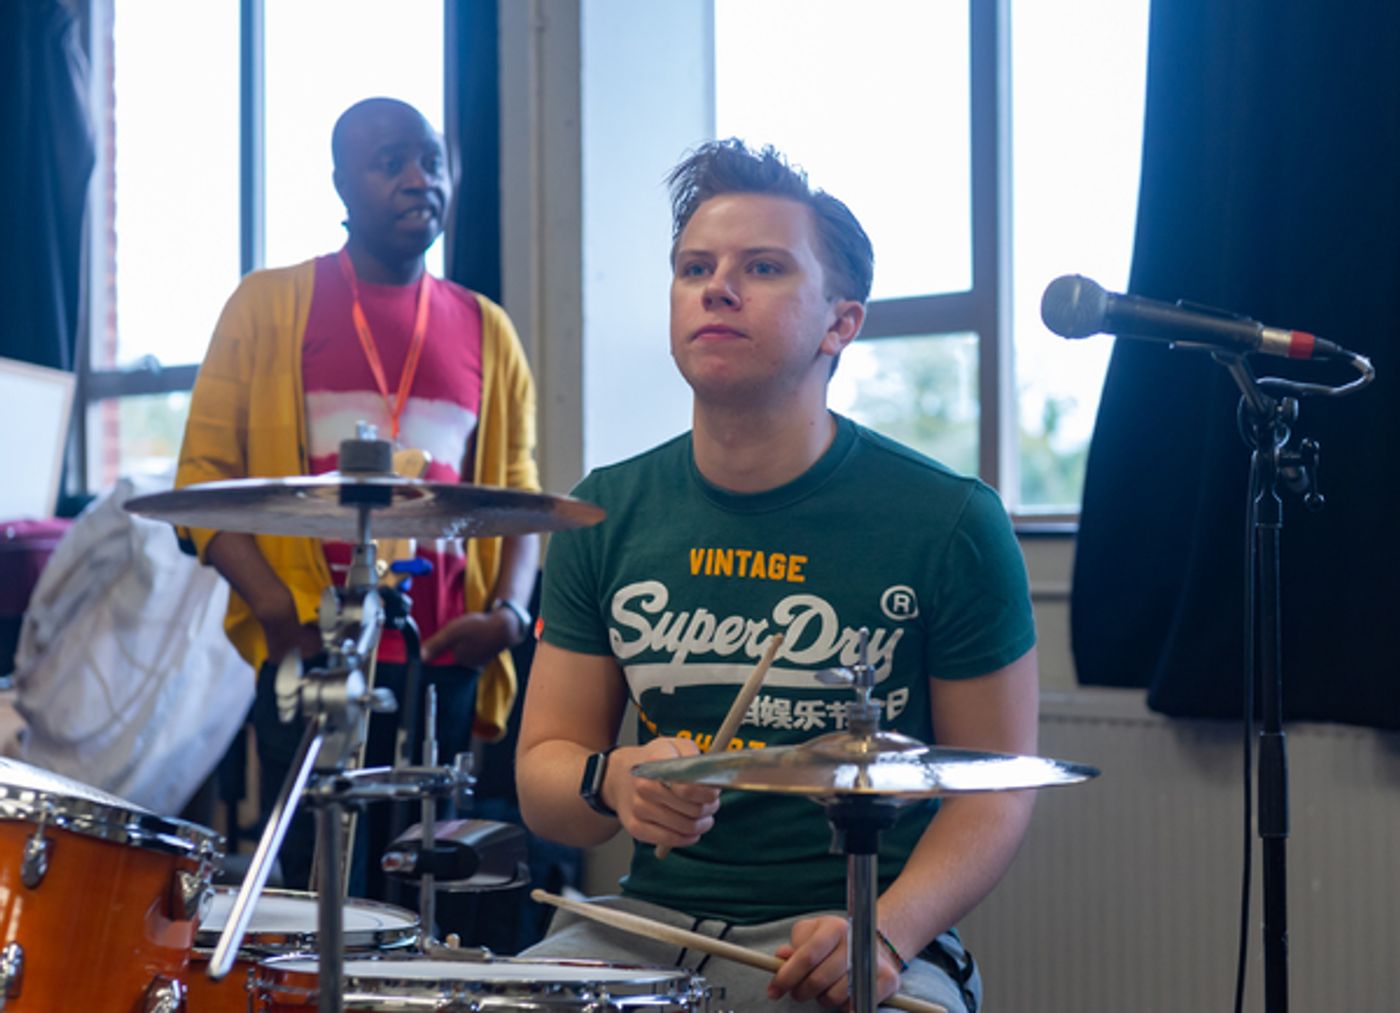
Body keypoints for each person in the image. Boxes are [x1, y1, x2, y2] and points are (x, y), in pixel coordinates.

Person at [515, 139, 1038, 1012]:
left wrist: (886, 929)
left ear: (842, 323)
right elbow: (544, 776)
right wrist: (613, 780)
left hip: (854, 927)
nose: (717, 286)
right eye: (694, 267)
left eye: (762, 267)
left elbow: (997, 793)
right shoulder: (604, 510)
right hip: (646, 924)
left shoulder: (951, 521)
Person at [173, 97, 541, 906]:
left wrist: (509, 619)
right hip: (315, 652)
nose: (420, 180)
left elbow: (519, 495)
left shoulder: (487, 327)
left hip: (443, 655)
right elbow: (201, 482)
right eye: (391, 163)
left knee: (427, 896)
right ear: (341, 183)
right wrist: (278, 612)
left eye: (433, 163)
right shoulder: (267, 305)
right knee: (314, 890)